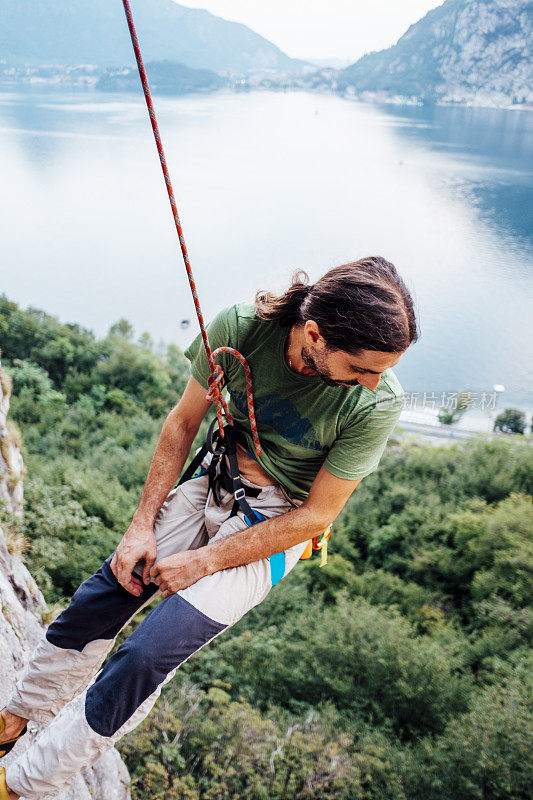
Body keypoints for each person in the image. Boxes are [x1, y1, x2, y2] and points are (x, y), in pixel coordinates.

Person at [0, 256, 418, 800]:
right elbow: (182, 423)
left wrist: (206, 561)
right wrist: (139, 528)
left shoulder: (377, 403)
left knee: (148, 657)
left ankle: (23, 785)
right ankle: (15, 718)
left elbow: (316, 516)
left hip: (277, 523)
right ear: (315, 333)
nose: (374, 382)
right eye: (364, 367)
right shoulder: (241, 330)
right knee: (105, 594)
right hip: (217, 477)